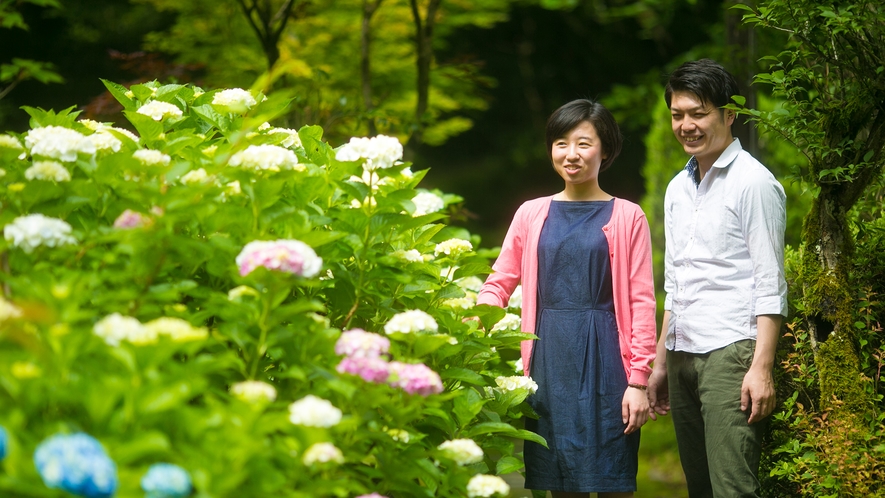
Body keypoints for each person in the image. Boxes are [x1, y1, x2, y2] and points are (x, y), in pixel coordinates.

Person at [477, 99, 657, 497]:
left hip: (610, 365)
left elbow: (642, 301)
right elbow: (500, 281)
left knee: (613, 482)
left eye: (583, 143)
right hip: (548, 363)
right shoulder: (531, 213)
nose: (570, 154)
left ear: (605, 150)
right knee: (560, 485)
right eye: (561, 143)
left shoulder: (628, 216)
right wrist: (472, 323)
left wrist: (639, 381)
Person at [646, 59, 788, 498]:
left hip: (730, 353)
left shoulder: (754, 184)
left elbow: (770, 283)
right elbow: (676, 281)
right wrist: (660, 360)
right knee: (701, 489)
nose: (686, 125)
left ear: (729, 115)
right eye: (677, 114)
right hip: (682, 351)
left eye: (698, 113)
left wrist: (761, 367)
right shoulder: (677, 188)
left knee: (733, 488)